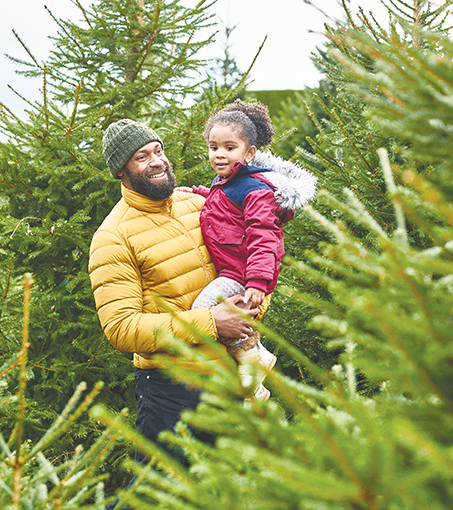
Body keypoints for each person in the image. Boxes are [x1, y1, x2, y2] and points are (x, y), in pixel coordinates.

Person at [88, 118, 259, 470]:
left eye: (158, 151)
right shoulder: (113, 237)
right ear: (122, 171)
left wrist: (251, 306)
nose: (157, 161)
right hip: (171, 388)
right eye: (141, 157)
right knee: (161, 492)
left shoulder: (199, 205)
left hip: (229, 374)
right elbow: (121, 327)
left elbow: (249, 262)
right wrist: (211, 323)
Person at [186, 100, 317, 401]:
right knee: (224, 319)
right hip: (235, 270)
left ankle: (253, 356)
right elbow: (222, 203)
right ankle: (253, 368)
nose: (219, 154)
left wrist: (256, 282)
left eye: (229, 148)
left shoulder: (254, 190)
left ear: (249, 153)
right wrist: (197, 192)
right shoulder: (228, 182)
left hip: (243, 273)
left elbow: (264, 237)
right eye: (213, 147)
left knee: (201, 312)